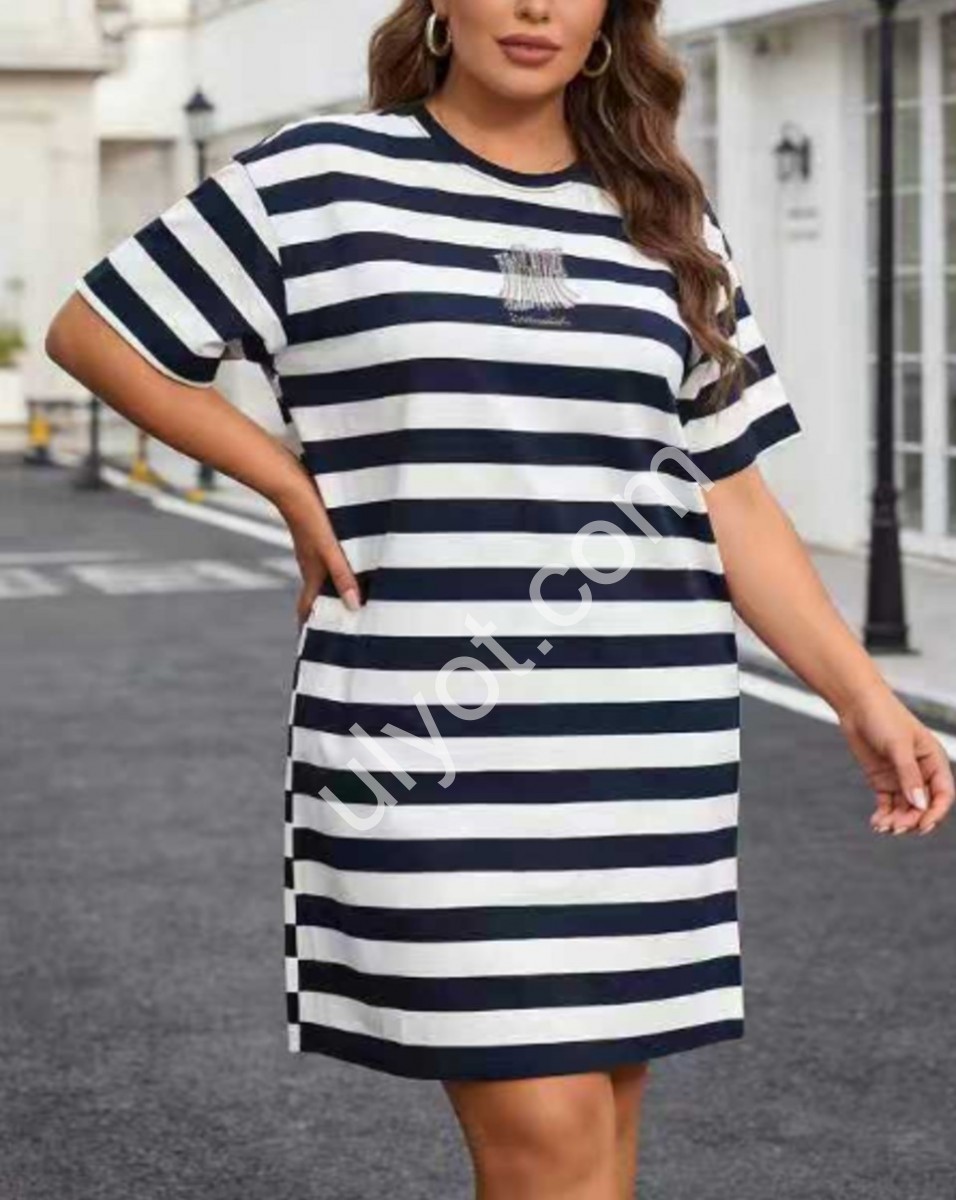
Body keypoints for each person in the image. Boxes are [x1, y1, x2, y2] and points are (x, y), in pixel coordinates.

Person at [45, 1, 954, 1197]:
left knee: (600, 1136)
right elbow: (97, 333)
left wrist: (859, 694)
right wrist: (287, 482)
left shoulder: (663, 216)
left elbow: (725, 489)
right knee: (550, 1142)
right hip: (426, 744)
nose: (535, 7)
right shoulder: (317, 178)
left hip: (645, 746)